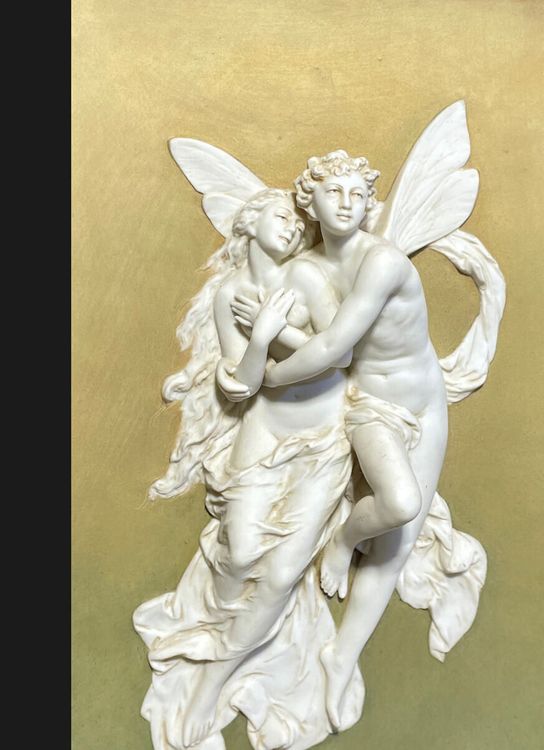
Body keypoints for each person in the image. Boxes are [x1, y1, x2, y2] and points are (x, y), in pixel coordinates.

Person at [135, 188, 362, 749]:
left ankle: (211, 684)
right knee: (238, 556)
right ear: (250, 222)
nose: (291, 226)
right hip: (265, 431)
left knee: (280, 576)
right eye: (280, 216)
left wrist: (276, 329)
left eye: (295, 222)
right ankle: (230, 632)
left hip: (322, 439)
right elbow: (240, 383)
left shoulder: (307, 276)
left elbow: (341, 355)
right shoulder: (231, 292)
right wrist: (261, 335)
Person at [254, 151, 451, 730]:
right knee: (400, 503)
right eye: (333, 192)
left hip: (426, 398)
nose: (345, 203)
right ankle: (343, 540)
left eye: (356, 194)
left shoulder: (382, 260)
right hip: (372, 404)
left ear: (369, 205)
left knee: (398, 544)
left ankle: (341, 658)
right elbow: (324, 348)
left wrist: (272, 375)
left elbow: (332, 346)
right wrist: (263, 338)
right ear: (310, 202)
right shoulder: (305, 269)